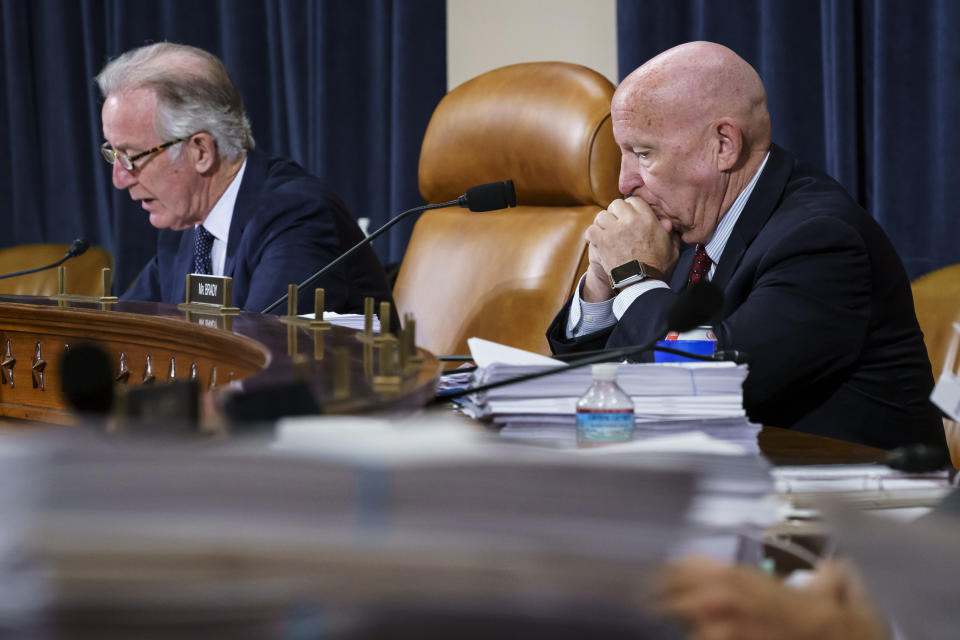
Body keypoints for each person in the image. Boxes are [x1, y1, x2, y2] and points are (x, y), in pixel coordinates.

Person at [546, 41, 946, 452]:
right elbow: (599, 394)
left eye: (644, 153)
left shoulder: (821, 241)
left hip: (859, 506)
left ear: (724, 145)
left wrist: (633, 278)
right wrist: (601, 286)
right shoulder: (690, 225)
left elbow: (703, 385)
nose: (624, 182)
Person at [97, 42, 395, 316]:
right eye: (113, 154)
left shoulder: (295, 217)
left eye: (131, 156)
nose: (119, 179)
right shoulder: (184, 226)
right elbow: (125, 331)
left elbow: (263, 355)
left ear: (200, 151)